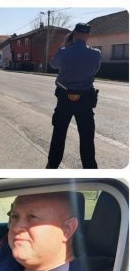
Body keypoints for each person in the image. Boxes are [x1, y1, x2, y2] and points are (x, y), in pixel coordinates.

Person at [46, 23, 103, 169]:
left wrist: (64, 45)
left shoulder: (64, 52)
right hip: (85, 101)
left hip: (64, 99)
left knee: (59, 136)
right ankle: (90, 170)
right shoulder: (96, 54)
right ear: (88, 36)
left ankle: (52, 167)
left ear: (74, 34)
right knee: (87, 139)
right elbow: (94, 70)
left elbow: (53, 65)